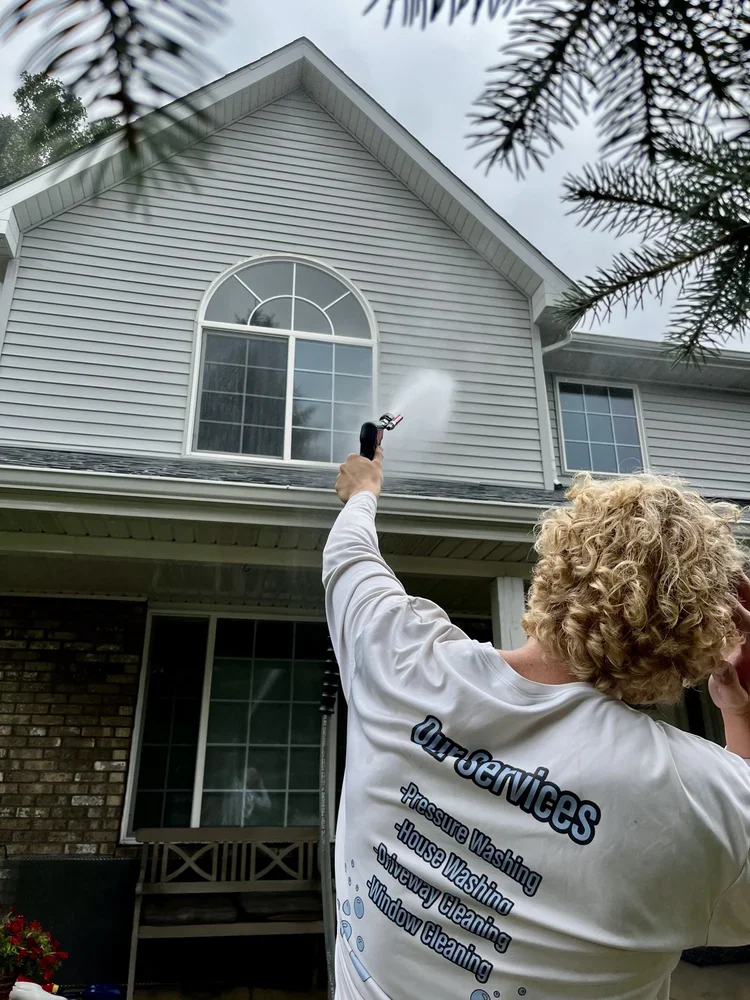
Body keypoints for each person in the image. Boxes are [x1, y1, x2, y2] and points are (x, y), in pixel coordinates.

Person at [322, 449, 750, 1000]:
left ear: (556, 562)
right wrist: (739, 713)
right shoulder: (698, 795)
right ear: (697, 635)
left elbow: (349, 555)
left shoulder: (399, 659)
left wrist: (364, 490)